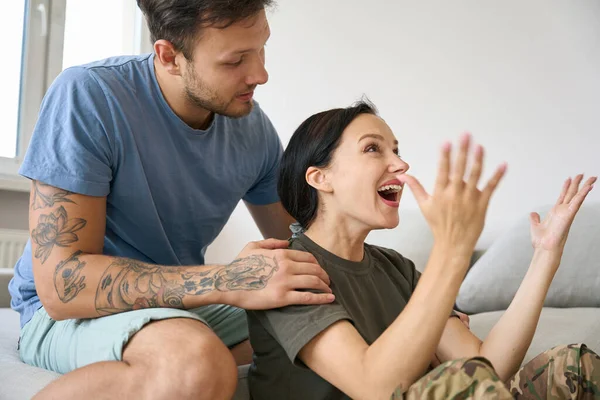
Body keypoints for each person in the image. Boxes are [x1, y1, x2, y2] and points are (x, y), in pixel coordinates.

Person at [8, 1, 339, 399]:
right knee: (194, 362)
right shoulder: (89, 95)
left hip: (180, 309)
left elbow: (305, 245)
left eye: (261, 49)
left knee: (331, 333)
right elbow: (63, 288)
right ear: (169, 56)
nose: (260, 74)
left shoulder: (254, 130)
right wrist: (228, 279)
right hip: (71, 313)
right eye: (235, 61)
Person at [247, 100, 599, 399]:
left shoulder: (395, 268)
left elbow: (488, 366)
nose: (401, 165)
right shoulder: (286, 271)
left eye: (397, 151)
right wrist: (451, 249)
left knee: (570, 366)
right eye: (373, 148)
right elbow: (375, 387)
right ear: (320, 178)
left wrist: (545, 255)